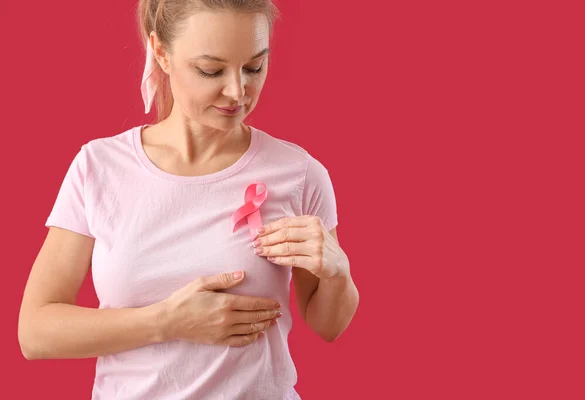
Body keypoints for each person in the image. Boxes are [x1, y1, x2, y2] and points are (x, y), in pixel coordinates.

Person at [17, 0, 359, 398]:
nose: (238, 91)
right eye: (210, 70)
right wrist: (166, 322)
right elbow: (35, 333)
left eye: (254, 67)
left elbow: (327, 326)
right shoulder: (99, 167)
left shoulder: (300, 173)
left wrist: (338, 273)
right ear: (161, 53)